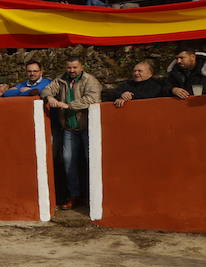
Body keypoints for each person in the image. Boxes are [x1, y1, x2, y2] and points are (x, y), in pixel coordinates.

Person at [43, 59, 102, 210]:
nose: (71, 70)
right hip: (69, 128)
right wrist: (49, 97)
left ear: (82, 67)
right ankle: (74, 195)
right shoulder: (61, 79)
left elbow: (92, 98)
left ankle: (92, 196)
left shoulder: (90, 80)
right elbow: (46, 90)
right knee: (68, 161)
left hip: (88, 127)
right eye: (69, 67)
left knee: (92, 161)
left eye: (75, 67)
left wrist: (68, 106)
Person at [103, 61, 171, 107]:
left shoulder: (157, 83)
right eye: (134, 71)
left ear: (150, 73)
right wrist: (121, 95)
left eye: (140, 71)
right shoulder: (128, 84)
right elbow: (108, 94)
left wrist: (128, 97)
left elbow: (148, 96)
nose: (136, 73)